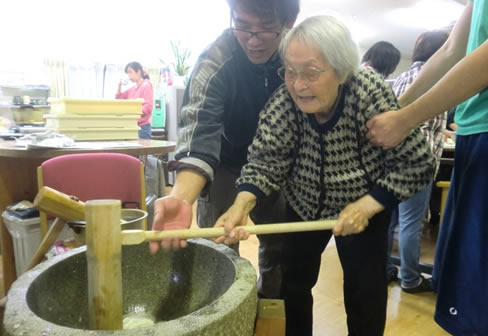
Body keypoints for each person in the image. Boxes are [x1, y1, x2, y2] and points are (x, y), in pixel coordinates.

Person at [214, 15, 434, 336]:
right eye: (290, 71)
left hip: (363, 209)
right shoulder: (285, 101)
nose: (298, 84)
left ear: (342, 70)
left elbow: (417, 163)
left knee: (364, 292)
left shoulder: (369, 94)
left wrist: (370, 205)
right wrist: (241, 204)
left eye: (311, 72)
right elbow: (265, 159)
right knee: (295, 284)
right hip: (304, 206)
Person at [150, 0, 300, 300]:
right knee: (217, 249)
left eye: (265, 30)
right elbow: (200, 130)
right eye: (242, 26)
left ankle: (270, 311)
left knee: (281, 252)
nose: (252, 40)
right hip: (224, 165)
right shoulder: (216, 59)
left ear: (288, 22)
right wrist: (180, 198)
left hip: (280, 168)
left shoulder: (299, 54)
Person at [366, 1, 488, 334]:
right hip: (473, 134)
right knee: (464, 273)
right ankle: (407, 276)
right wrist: (398, 112)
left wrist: (404, 118)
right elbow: (451, 50)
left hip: (478, 136)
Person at [386, 30, 449, 292]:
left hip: (389, 160)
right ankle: (410, 279)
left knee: (388, 222)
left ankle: (385, 268)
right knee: (411, 223)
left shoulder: (399, 78)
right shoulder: (439, 80)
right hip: (417, 162)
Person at [116, 61, 154, 139]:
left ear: (138, 72)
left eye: (130, 72)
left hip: (142, 127)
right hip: (132, 126)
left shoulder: (146, 85)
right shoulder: (133, 88)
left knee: (141, 150)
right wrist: (119, 86)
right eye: (127, 73)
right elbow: (119, 99)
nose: (129, 75)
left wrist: (131, 111)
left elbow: (148, 108)